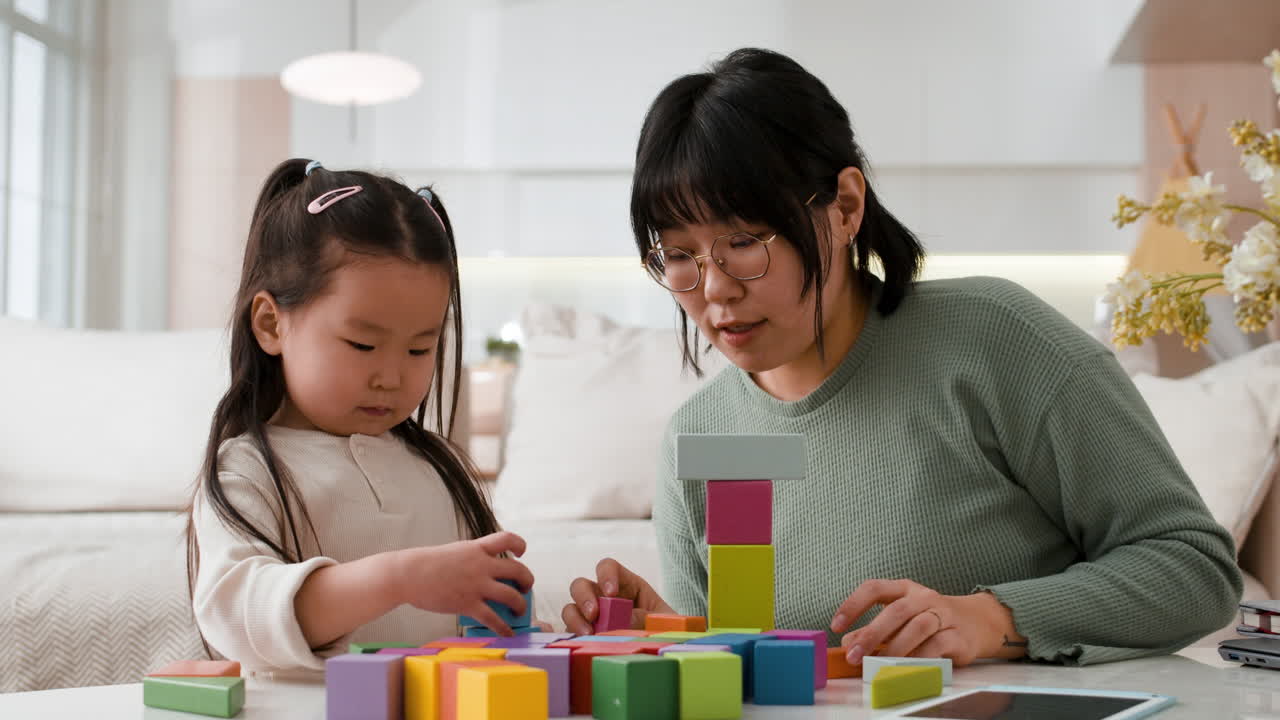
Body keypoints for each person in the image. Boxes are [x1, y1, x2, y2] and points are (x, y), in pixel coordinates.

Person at [561, 48, 1241, 667]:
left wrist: (994, 618)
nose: (713, 289)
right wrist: (675, 633)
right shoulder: (701, 437)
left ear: (845, 206)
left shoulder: (992, 341)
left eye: (743, 241)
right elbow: (743, 669)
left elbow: (1194, 568)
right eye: (679, 255)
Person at [186, 159, 534, 672]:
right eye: (363, 343)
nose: (392, 377)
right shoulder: (247, 469)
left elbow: (479, 614)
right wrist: (399, 579)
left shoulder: (437, 468)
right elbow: (236, 614)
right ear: (270, 324)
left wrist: (535, 635)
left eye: (420, 349)